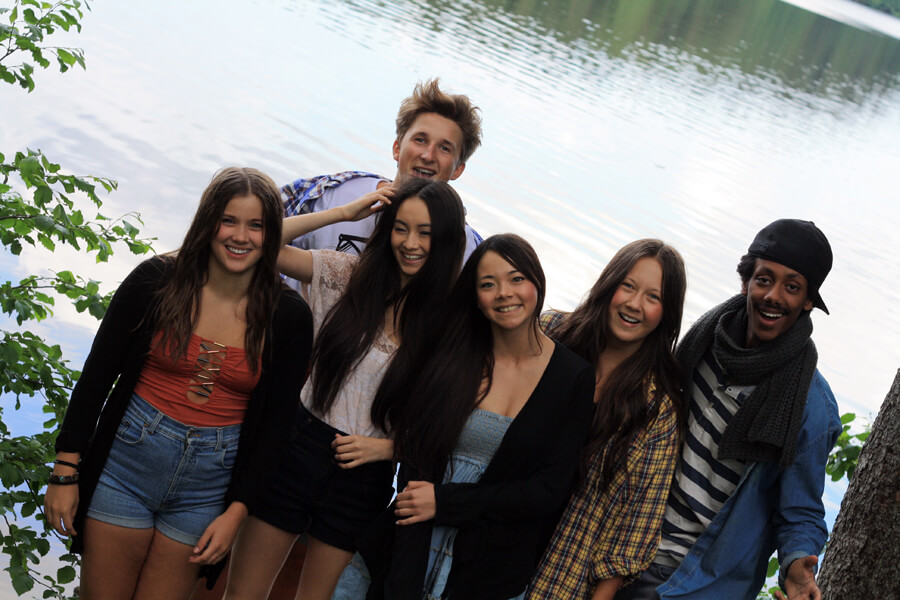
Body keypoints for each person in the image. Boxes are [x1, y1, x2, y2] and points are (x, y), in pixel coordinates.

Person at [43, 167, 313, 599]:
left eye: (256, 225)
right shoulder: (155, 282)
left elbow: (276, 427)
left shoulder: (289, 317)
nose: (240, 236)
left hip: (207, 489)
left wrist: (237, 511)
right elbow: (96, 377)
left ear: (273, 234)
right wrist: (65, 469)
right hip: (126, 466)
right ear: (207, 221)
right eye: (228, 220)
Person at [223, 177, 468, 600]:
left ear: (446, 240)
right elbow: (262, 245)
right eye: (401, 228)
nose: (410, 243)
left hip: (363, 476)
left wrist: (390, 449)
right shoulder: (347, 275)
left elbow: (448, 421)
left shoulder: (450, 325)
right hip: (296, 449)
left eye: (425, 232)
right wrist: (342, 213)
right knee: (243, 594)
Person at [357, 234, 596, 600]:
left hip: (492, 572)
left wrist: (445, 502)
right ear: (476, 298)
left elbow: (548, 490)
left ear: (537, 282)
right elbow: (417, 460)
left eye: (516, 278)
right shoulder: (455, 356)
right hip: (408, 547)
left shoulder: (573, 377)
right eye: (488, 284)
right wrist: (402, 585)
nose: (504, 293)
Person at [617, 219, 841, 600]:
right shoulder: (707, 341)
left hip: (696, 583)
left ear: (807, 301)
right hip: (628, 539)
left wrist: (798, 568)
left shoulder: (809, 406)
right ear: (746, 281)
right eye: (764, 279)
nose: (773, 296)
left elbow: (800, 511)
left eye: (792, 287)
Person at [527, 239, 687, 600]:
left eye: (653, 297)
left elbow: (634, 530)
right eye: (628, 286)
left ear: (667, 312)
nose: (634, 304)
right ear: (609, 283)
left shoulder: (657, 410)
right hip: (488, 547)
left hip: (563, 574)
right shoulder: (550, 335)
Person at [281, 78, 483, 264]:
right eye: (420, 140)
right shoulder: (332, 193)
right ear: (397, 148)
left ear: (458, 169)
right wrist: (339, 214)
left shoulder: (466, 248)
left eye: (444, 148)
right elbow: (265, 238)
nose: (428, 155)